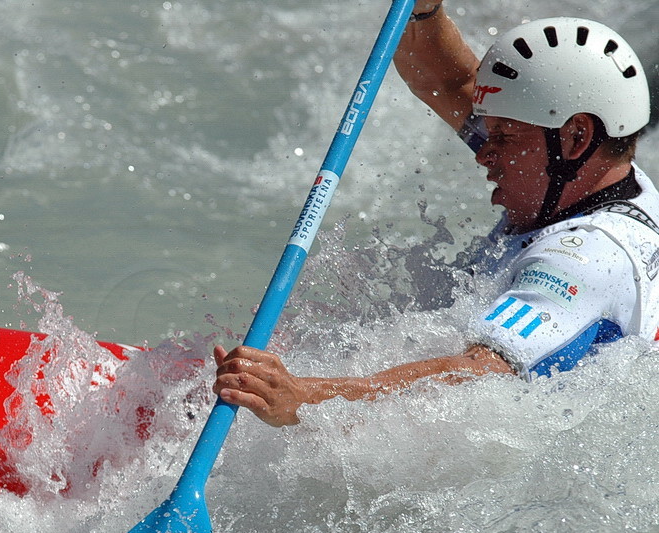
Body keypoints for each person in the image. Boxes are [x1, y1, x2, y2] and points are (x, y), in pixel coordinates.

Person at [213, 3, 658, 427]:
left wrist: (304, 398)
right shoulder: (579, 175)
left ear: (576, 137)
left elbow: (471, 380)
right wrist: (425, 10)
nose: (484, 152)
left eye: (502, 136)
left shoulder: (587, 259)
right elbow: (448, 82)